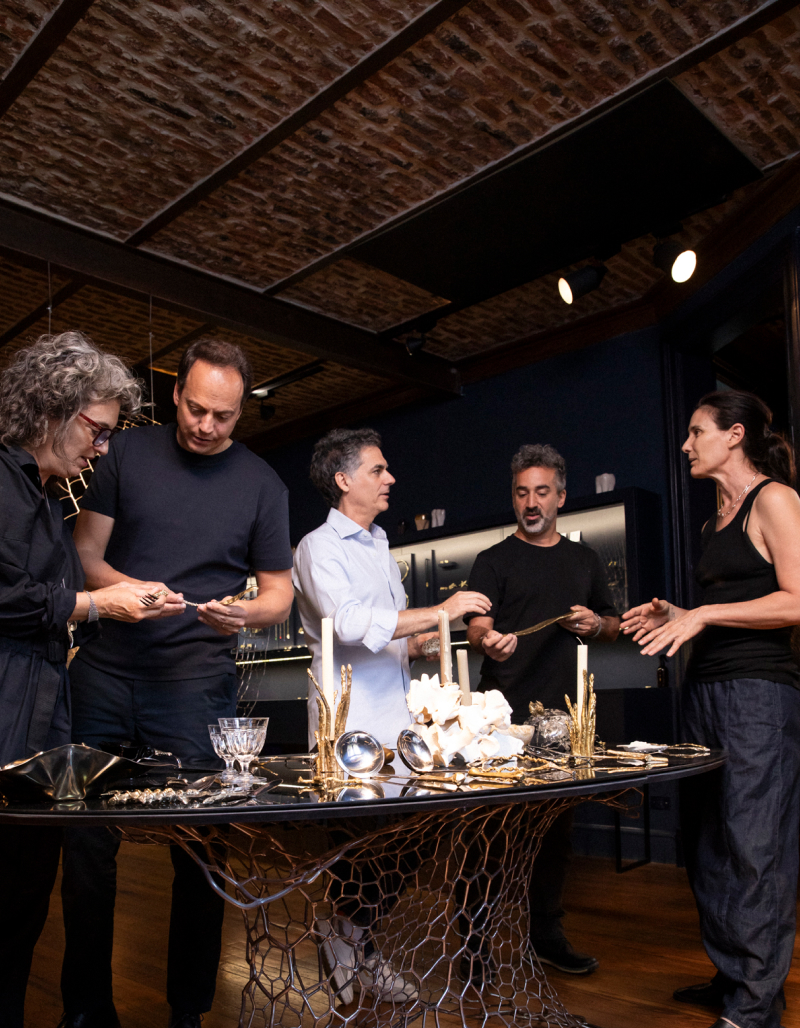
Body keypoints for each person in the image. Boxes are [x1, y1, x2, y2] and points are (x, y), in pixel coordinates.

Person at [58, 339, 294, 1028]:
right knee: (86, 845)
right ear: (175, 394)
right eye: (195, 409)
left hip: (198, 684)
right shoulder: (125, 454)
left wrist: (244, 613)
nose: (206, 426)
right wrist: (135, 591)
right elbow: (84, 556)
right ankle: (85, 1009)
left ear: (240, 410)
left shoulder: (262, 485)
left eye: (223, 416)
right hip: (103, 673)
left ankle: (187, 1011)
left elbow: (278, 595)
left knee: (202, 849)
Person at [0, 331, 171, 1028]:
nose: (101, 448)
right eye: (96, 430)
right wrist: (96, 603)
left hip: (40, 740)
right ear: (52, 410)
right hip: (6, 731)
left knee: (20, 916)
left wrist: (129, 598)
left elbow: (52, 612)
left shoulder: (45, 500)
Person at [293, 427, 491, 1004]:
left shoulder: (380, 544)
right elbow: (351, 625)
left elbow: (394, 638)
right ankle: (356, 947)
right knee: (360, 847)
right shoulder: (316, 547)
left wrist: (439, 638)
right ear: (343, 479)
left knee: (409, 840)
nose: (390, 479)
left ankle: (350, 940)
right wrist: (440, 610)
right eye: (378, 470)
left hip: (401, 726)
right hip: (349, 726)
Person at [621, 390, 800, 1028]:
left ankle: (755, 1008)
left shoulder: (774, 499)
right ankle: (733, 981)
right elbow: (725, 604)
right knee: (707, 842)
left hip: (759, 694)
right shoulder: (711, 523)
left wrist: (704, 613)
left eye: (697, 432)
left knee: (756, 847)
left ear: (735, 435)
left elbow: (795, 601)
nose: (686, 443)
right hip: (706, 693)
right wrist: (676, 613)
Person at [463, 444, 619, 978]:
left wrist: (596, 627)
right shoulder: (493, 560)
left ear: (561, 497)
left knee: (555, 834)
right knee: (486, 835)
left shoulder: (583, 560)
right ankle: (474, 945)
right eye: (522, 492)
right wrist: (487, 641)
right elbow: (475, 622)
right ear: (515, 497)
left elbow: (612, 621)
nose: (531, 503)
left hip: (564, 718)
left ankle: (546, 936)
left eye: (542, 492)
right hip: (498, 718)